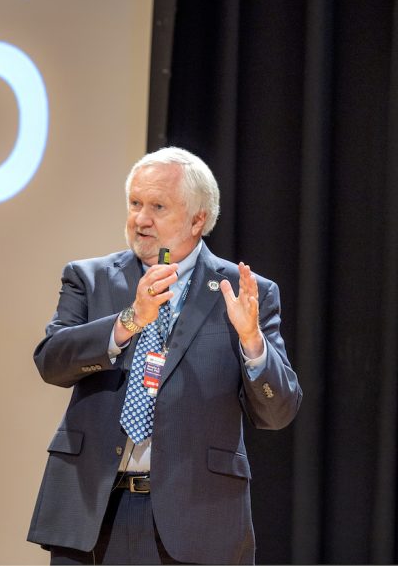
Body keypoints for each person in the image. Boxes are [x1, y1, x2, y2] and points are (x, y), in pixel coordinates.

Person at [26, 147, 301, 565]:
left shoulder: (246, 292)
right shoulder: (89, 278)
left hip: (198, 519)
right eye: (135, 203)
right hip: (93, 514)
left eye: (157, 206)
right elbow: (51, 362)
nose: (140, 219)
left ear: (198, 219)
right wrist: (127, 321)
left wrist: (251, 341)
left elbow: (277, 412)